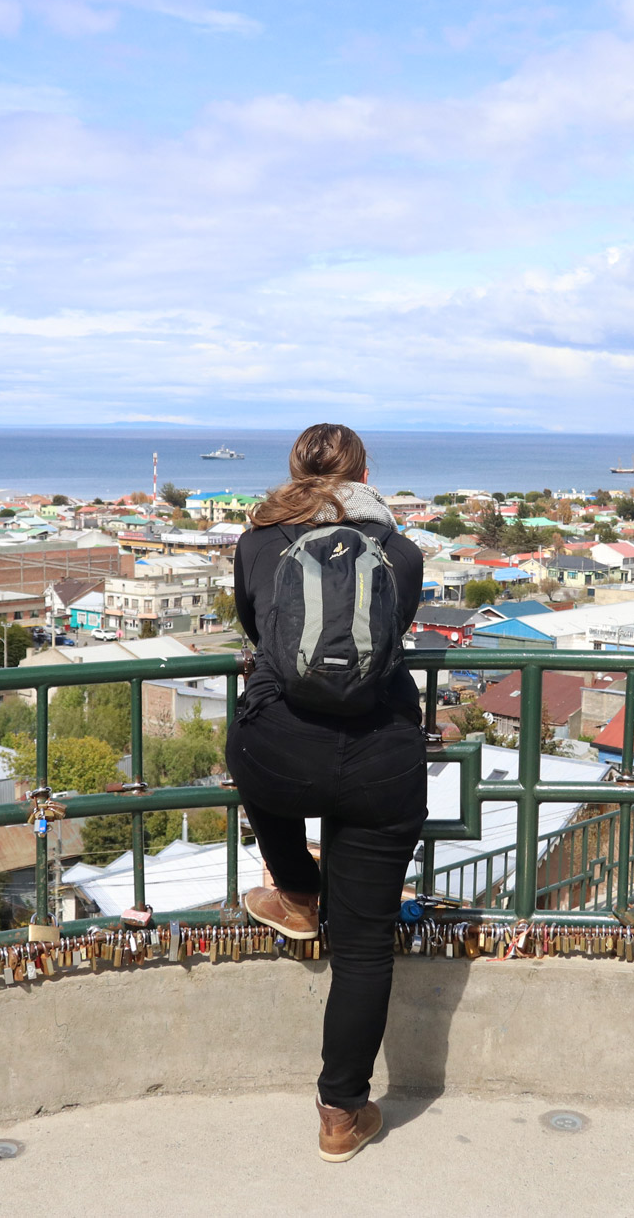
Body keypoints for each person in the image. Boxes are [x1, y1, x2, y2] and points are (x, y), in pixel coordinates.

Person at [225, 423, 426, 1164]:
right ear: (365, 471)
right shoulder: (402, 552)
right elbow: (391, 636)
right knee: (367, 946)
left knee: (251, 760)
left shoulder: (257, 541)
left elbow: (258, 627)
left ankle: (300, 891)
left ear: (294, 469)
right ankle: (342, 1113)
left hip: (277, 744)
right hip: (380, 755)